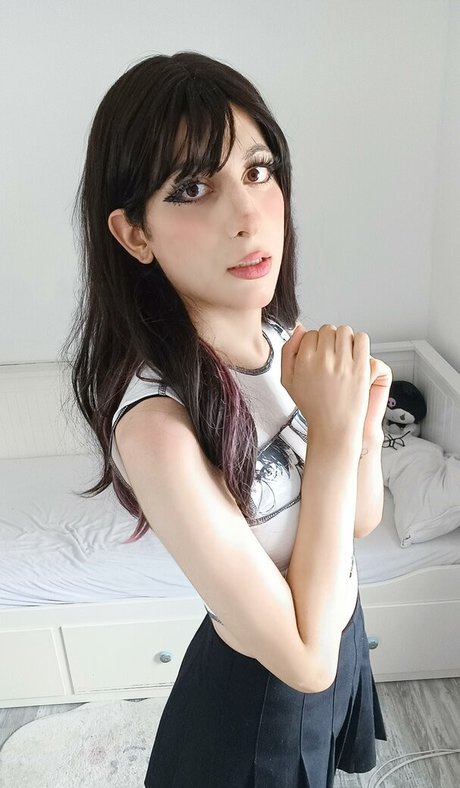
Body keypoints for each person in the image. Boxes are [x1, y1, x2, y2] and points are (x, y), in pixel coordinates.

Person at [63, 50, 392, 787]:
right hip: (256, 711)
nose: (247, 215)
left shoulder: (281, 337)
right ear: (134, 234)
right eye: (191, 188)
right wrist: (333, 436)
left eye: (257, 170)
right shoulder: (157, 427)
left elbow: (359, 519)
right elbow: (304, 662)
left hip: (342, 630)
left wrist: (362, 424)